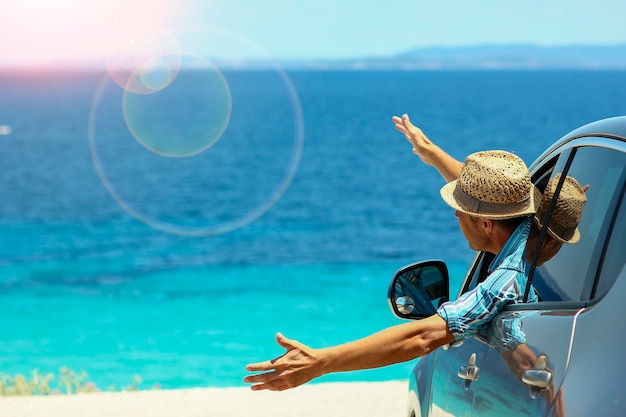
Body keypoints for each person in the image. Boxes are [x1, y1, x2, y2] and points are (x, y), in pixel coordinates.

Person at [243, 145, 541, 391]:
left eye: (460, 211)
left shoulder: (504, 282)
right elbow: (493, 201)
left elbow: (423, 337)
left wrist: (323, 361)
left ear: (487, 224)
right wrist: (431, 153)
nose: (455, 215)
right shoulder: (533, 229)